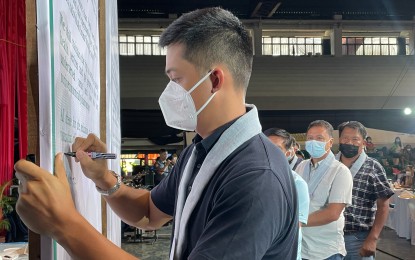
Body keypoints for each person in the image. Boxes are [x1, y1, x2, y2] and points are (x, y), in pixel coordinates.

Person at [14, 7, 299, 260]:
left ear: (214, 79)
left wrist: (64, 223)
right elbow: (150, 213)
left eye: (176, 79)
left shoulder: (256, 177)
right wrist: (103, 178)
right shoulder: (202, 151)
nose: (169, 92)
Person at [295, 120, 353, 260]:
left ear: (330, 142)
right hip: (302, 246)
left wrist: (297, 222)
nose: (313, 142)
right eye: (310, 138)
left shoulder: (340, 171)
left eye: (320, 138)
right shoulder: (301, 166)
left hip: (325, 250)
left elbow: (332, 213)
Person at [336, 121, 394, 260]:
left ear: (363, 142)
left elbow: (383, 204)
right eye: (345, 138)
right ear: (339, 139)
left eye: (355, 139)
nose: (349, 142)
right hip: (328, 236)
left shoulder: (373, 167)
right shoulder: (331, 164)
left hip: (357, 238)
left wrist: (373, 239)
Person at [263, 128, 310, 260]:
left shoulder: (297, 184)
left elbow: (295, 227)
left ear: (288, 153)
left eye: (277, 148)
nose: (269, 152)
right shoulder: (251, 179)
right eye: (266, 146)